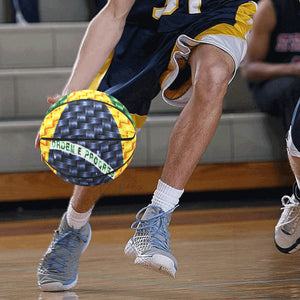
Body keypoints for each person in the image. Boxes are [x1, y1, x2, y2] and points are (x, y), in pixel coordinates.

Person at [35, 0, 257, 292]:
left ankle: (157, 217)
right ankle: (73, 227)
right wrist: (70, 95)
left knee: (214, 75)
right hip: (144, 24)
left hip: (217, 12)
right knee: (105, 131)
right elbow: (114, 13)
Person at [241, 0, 300, 254]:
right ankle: (296, 192)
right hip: (272, 86)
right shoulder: (271, 8)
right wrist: (292, 68)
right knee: (293, 87)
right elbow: (249, 69)